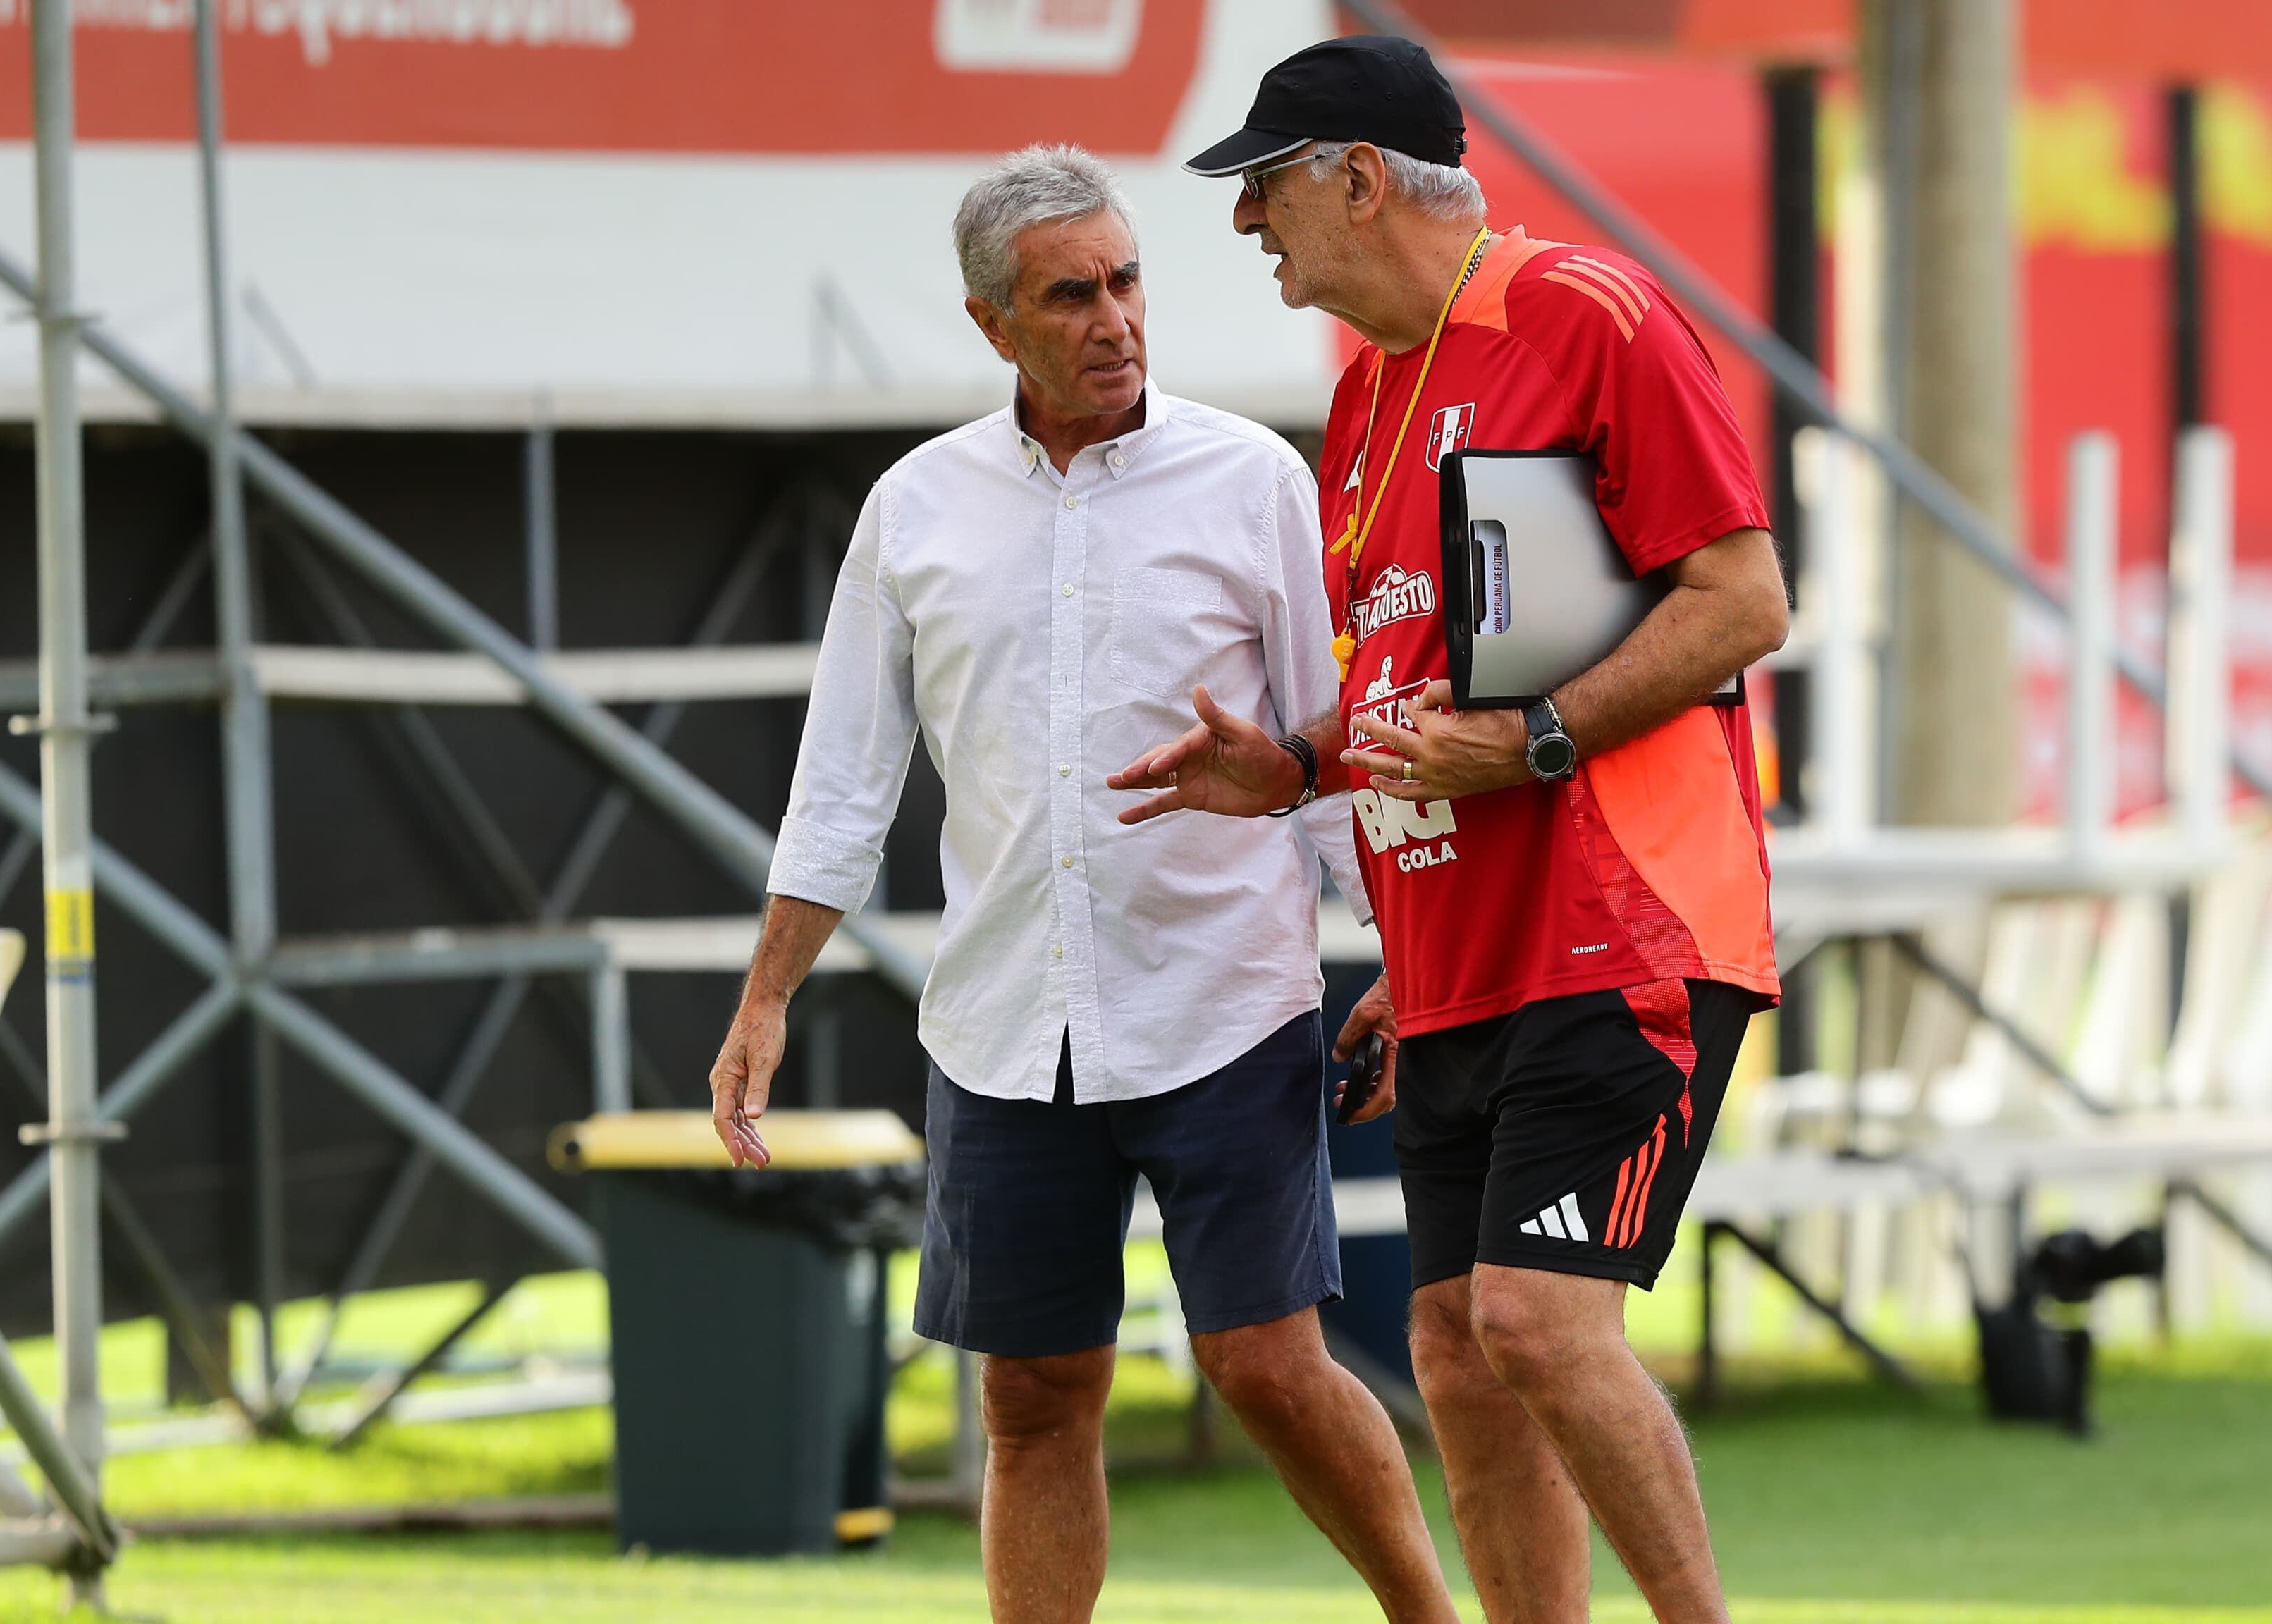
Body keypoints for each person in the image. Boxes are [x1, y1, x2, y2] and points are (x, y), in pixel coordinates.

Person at [707, 145, 1457, 1624]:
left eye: (1127, 282)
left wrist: (1407, 967)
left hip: (1224, 1005)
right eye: (1071, 295)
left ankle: (1429, 1620)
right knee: (1035, 1397)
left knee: (1266, 1367)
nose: (1114, 319)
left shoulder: (1252, 480)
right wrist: (766, 995)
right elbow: (844, 779)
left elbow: (1336, 747)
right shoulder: (914, 508)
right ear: (994, 324)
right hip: (1000, 1030)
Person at [1110, 37, 1790, 1624]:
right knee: (1459, 1359)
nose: (1246, 228)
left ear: (1357, 177)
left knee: (1540, 1326)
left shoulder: (1587, 312)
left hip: (1627, 928)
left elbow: (1742, 597)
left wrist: (1539, 739)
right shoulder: (1363, 397)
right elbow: (1424, 692)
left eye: (1264, 188)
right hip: (1461, 965)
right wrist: (1290, 768)